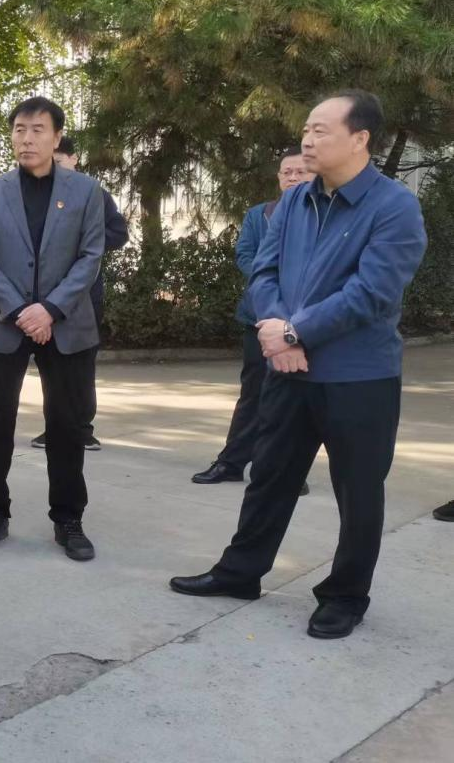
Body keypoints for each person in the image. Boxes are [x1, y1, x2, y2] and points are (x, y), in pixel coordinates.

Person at [171, 90, 427, 641]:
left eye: (321, 131)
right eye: (306, 130)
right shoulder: (294, 202)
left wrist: (294, 331)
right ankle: (240, 572)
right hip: (288, 369)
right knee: (269, 475)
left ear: (360, 139)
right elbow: (264, 272)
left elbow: (372, 292)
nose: (307, 141)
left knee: (358, 490)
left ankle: (345, 595)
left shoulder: (394, 207)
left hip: (358, 377)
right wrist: (278, 333)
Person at [0, 97, 105, 561]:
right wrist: (21, 310)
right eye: (19, 130)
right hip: (4, 323)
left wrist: (50, 310)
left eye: (38, 130)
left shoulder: (86, 191)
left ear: (57, 137)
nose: (27, 139)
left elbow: (90, 257)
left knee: (66, 424)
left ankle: (68, 518)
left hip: (65, 325)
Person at [193, 147, 313, 492]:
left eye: (300, 172)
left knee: (294, 399)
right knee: (253, 394)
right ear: (278, 177)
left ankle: (285, 470)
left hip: (305, 321)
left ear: (314, 175)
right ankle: (231, 462)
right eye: (286, 172)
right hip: (260, 318)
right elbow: (245, 255)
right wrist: (271, 280)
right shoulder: (259, 215)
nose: (292, 178)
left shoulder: (324, 216)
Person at [29, 135, 127, 452]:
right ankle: (54, 426)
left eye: (59, 160)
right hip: (44, 297)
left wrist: (82, 242)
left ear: (74, 159)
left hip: (83, 294)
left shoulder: (93, 193)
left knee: (81, 364)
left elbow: (118, 233)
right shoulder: (38, 193)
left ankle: (83, 428)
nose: (54, 166)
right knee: (49, 365)